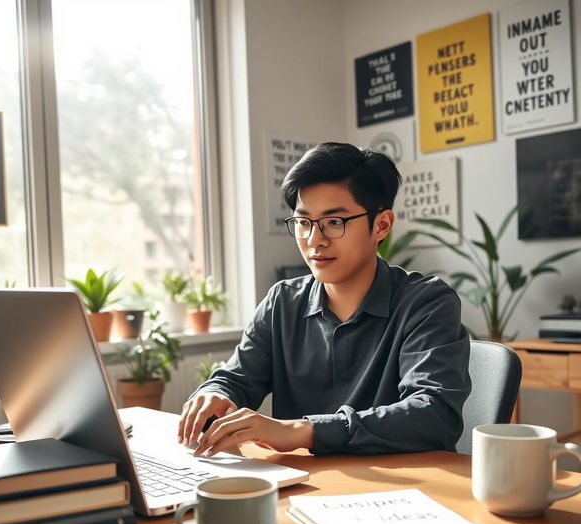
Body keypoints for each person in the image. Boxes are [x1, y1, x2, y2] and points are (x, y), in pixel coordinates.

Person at [178, 142, 471, 458]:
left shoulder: (426, 303)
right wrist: (214, 394)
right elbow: (236, 379)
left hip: (403, 490)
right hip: (302, 488)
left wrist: (302, 431)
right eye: (303, 223)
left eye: (335, 222)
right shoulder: (282, 303)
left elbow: (432, 414)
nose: (315, 240)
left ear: (382, 225)